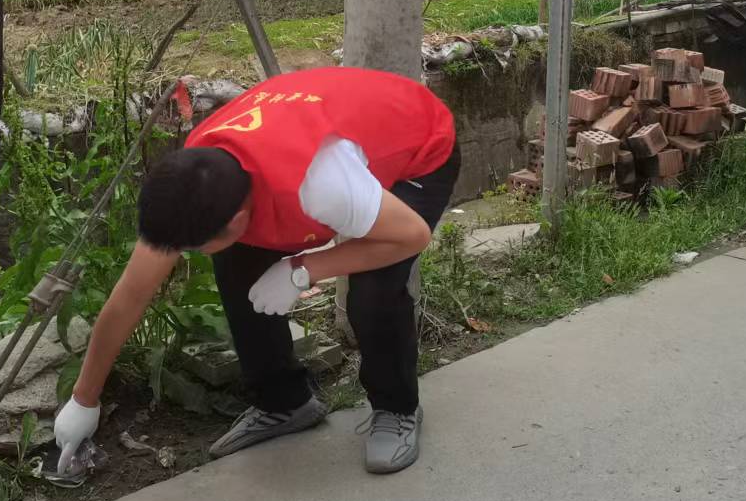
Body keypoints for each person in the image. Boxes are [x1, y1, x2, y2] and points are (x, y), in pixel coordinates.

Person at [53, 67, 459, 476]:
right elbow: (130, 296)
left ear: (241, 218)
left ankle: (397, 407)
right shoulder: (194, 181)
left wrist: (305, 269)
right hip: (332, 120)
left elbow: (410, 237)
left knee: (374, 285)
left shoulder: (321, 184)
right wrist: (84, 400)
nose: (181, 255)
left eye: (191, 247)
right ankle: (284, 402)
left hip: (415, 144)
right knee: (236, 264)